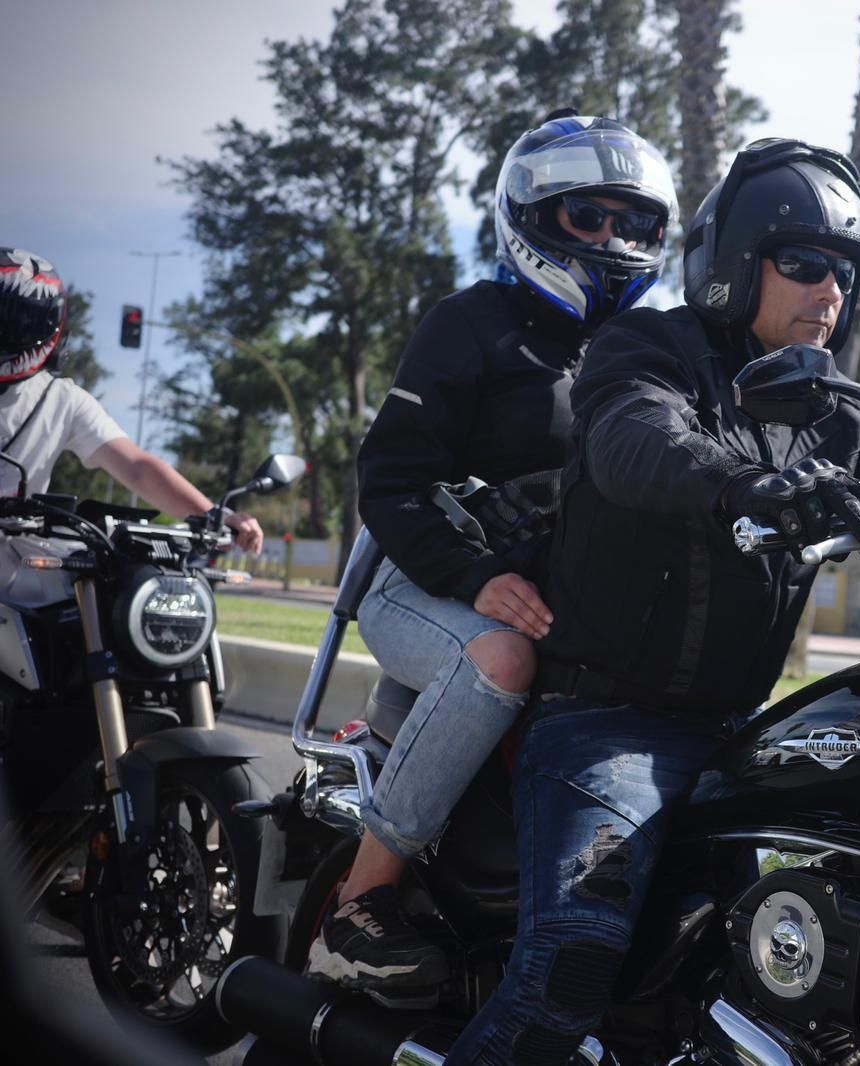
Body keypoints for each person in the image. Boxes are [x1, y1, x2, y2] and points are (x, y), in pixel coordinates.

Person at [447, 138, 860, 1065]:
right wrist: (746, 483)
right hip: (611, 727)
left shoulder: (839, 410)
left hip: (745, 735)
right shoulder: (649, 349)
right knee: (567, 975)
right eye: (806, 262)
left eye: (847, 273)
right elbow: (634, 438)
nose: (831, 290)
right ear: (738, 264)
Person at [307, 113, 678, 994]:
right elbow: (389, 483)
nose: (611, 239)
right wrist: (475, 575)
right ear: (532, 217)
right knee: (503, 659)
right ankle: (360, 903)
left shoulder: (639, 353)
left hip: (548, 595)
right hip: (418, 582)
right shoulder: (470, 324)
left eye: (632, 222)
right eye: (588, 216)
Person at [0, 246, 264, 551]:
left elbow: (138, 467)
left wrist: (215, 517)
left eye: (23, 322)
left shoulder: (61, 400)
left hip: (20, 569)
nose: (9, 331)